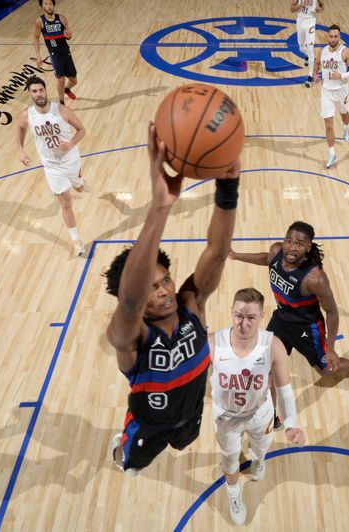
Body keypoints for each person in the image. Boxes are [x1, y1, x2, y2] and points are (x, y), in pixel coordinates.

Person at [104, 123, 241, 475]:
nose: (164, 289)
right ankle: (120, 450)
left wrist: (227, 188)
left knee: (185, 442)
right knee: (130, 464)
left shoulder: (191, 303)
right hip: (148, 426)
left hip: (191, 412)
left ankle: (179, 435)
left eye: (165, 280)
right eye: (152, 287)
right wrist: (160, 207)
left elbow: (217, 251)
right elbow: (131, 304)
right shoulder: (129, 338)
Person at [229, 221, 349, 429]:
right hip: (282, 320)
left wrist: (330, 348)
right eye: (289, 241)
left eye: (299, 243)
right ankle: (272, 415)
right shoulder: (276, 251)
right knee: (266, 368)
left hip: (308, 329)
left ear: (308, 247)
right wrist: (235, 255)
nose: (292, 247)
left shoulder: (315, 278)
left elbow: (331, 311)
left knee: (327, 370)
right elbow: (266, 259)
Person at [210, 287, 305, 525]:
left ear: (261, 317)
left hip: (259, 413)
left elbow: (284, 391)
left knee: (261, 448)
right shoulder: (213, 344)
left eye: (251, 317)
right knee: (230, 459)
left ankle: (258, 459)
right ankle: (233, 494)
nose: (243, 323)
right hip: (226, 416)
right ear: (231, 313)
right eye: (238, 316)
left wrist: (291, 423)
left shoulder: (273, 346)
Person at [15, 75, 88, 257]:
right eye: (34, 91)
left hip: (70, 160)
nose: (38, 94)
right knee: (65, 202)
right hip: (51, 166)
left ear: (46, 91)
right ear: (30, 94)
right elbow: (20, 128)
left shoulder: (62, 110)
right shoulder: (27, 115)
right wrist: (20, 150)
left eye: (41, 90)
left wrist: (71, 143)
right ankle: (76, 240)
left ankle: (79, 182)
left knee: (78, 189)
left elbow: (82, 130)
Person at [313, 24, 349, 169]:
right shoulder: (322, 51)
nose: (333, 39)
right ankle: (332, 153)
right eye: (331, 36)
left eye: (335, 36)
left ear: (339, 37)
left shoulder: (345, 52)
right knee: (328, 125)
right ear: (327, 36)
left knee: (344, 114)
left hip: (341, 90)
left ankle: (346, 127)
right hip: (326, 91)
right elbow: (317, 62)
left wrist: (342, 75)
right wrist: (314, 74)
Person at [33, 0, 77, 105]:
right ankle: (62, 103)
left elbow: (68, 35)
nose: (49, 6)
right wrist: (38, 56)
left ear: (54, 5)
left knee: (74, 81)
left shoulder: (62, 18)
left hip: (65, 51)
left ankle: (66, 90)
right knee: (61, 79)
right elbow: (36, 38)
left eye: (50, 4)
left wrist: (69, 36)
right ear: (42, 6)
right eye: (46, 4)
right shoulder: (40, 21)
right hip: (54, 53)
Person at [290, 0, 324, 88]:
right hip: (300, 23)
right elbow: (292, 9)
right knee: (301, 47)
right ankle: (307, 55)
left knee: (310, 48)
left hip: (310, 23)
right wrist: (302, 5)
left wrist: (319, 9)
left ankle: (310, 76)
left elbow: (322, 6)